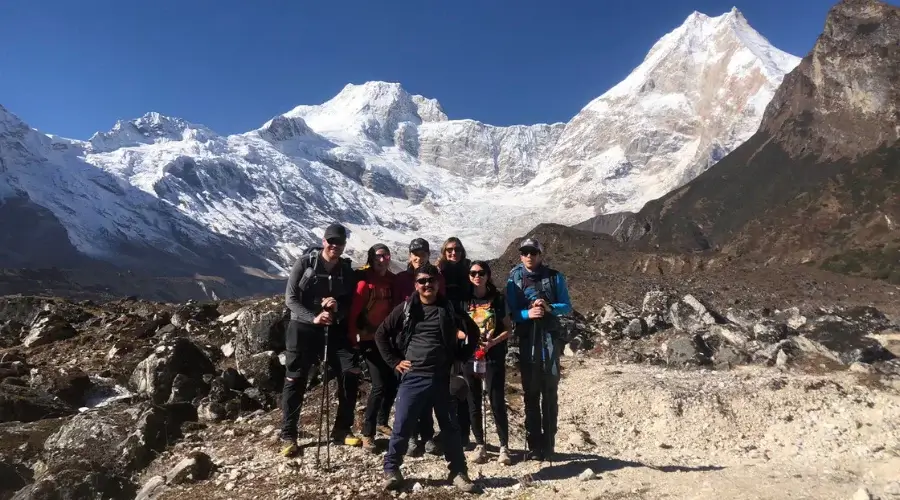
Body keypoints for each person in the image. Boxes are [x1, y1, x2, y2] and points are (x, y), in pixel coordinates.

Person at [375, 263, 480, 493]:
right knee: (402, 425)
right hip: (413, 377)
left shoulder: (449, 308)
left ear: (437, 283)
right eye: (422, 281)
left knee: (450, 428)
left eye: (431, 280)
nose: (427, 285)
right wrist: (394, 362)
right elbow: (381, 334)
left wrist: (461, 356)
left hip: (442, 377)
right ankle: (392, 470)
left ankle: (458, 472)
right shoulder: (406, 309)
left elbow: (473, 332)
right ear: (416, 285)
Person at [279, 223, 362, 457]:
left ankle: (342, 428)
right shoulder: (305, 263)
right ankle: (289, 434)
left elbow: (348, 302)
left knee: (350, 371)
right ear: (324, 241)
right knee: (295, 377)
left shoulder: (345, 270)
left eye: (340, 242)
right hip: (303, 327)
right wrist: (313, 317)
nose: (335, 246)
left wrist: (337, 309)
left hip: (332, 328)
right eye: (331, 241)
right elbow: (291, 299)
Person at [505, 238, 572, 461]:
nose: (529, 256)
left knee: (550, 393)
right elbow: (511, 311)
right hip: (527, 341)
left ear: (540, 254)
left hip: (550, 342)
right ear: (521, 255)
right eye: (525, 252)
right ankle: (534, 444)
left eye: (533, 252)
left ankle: (549, 443)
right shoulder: (514, 279)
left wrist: (549, 307)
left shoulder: (555, 277)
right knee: (531, 394)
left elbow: (566, 306)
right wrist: (527, 314)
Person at [391, 237, 444, 456]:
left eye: (422, 253)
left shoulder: (435, 277)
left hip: (429, 339)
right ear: (409, 255)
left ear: (427, 255)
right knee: (408, 393)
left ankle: (428, 435)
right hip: (406, 340)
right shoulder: (402, 278)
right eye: (414, 253)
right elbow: (393, 308)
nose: (417, 256)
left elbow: (442, 304)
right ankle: (411, 437)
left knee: (427, 392)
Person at [461, 260, 512, 465]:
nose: (477, 276)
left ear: (488, 275)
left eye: (481, 273)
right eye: (473, 273)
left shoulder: (498, 299)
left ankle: (503, 447)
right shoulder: (464, 301)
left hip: (493, 354)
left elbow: (509, 329)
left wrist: (493, 342)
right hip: (470, 355)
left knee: (496, 399)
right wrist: (466, 337)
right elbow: (456, 327)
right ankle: (480, 444)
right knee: (473, 400)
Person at [349, 243, 398, 451]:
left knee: (393, 382)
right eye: (378, 256)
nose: (382, 260)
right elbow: (353, 315)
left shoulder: (392, 280)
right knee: (379, 385)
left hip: (387, 339)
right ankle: (367, 433)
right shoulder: (364, 283)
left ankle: (381, 421)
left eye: (385, 256)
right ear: (371, 258)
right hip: (369, 339)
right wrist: (353, 340)